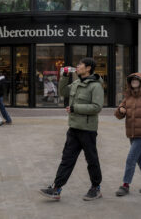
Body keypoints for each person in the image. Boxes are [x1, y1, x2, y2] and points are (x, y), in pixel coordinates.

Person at [39, 58, 104, 201]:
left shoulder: (95, 86)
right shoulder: (76, 83)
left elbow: (97, 107)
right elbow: (62, 91)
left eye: (80, 65)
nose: (77, 66)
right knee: (67, 159)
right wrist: (64, 76)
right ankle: (56, 189)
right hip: (73, 128)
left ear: (88, 68)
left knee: (91, 159)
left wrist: (75, 108)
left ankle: (96, 188)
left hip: (87, 129)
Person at [114, 73, 141, 196]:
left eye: (136, 80)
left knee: (131, 159)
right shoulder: (128, 97)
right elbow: (118, 115)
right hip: (132, 133)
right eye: (132, 80)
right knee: (140, 159)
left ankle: (125, 185)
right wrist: (120, 110)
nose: (134, 82)